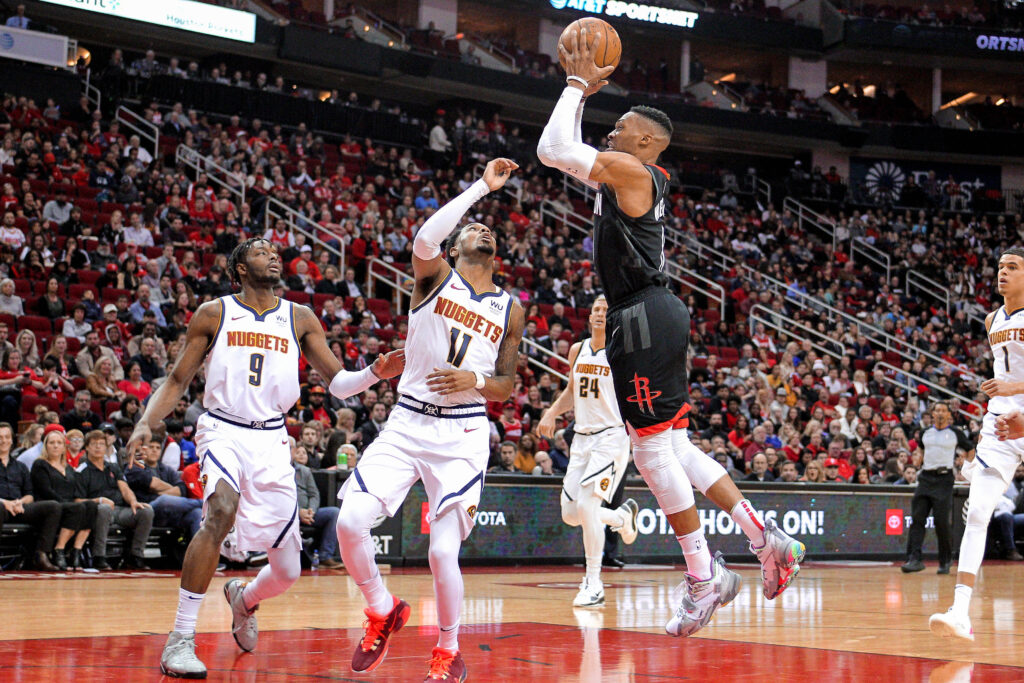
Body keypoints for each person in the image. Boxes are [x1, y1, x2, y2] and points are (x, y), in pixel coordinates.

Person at [538, 32, 804, 637]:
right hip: (650, 311)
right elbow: (570, 146)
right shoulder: (625, 175)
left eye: (623, 126)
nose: (612, 132)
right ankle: (767, 543)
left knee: (652, 451)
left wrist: (578, 85)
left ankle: (703, 577)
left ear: (648, 142)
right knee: (675, 447)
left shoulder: (636, 171)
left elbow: (552, 148)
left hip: (641, 313)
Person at [125, 237, 404, 679]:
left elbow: (338, 382)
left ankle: (245, 599)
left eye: (274, 251)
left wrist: (374, 372)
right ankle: (180, 639)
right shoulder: (214, 313)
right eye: (259, 251)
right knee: (218, 513)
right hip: (222, 429)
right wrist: (145, 422)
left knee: (288, 570)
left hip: (272, 440)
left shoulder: (300, 317)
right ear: (238, 269)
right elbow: (178, 379)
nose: (273, 254)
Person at [335, 158, 523, 682]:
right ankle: (380, 608)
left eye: (488, 229)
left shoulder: (511, 307)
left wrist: (477, 383)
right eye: (471, 230)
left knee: (443, 552)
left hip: (463, 430)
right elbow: (423, 237)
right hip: (408, 420)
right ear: (456, 247)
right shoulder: (434, 277)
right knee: (350, 522)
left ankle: (448, 649)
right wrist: (481, 190)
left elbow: (507, 385)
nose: (482, 228)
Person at [933, 247, 1024, 642]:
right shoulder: (992, 319)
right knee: (977, 513)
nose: (1003, 273)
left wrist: (1015, 388)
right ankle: (959, 610)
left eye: (1014, 267)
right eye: (1001, 266)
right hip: (1001, 423)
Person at [538, 295, 639, 607]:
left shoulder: (621, 352)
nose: (599, 313)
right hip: (581, 438)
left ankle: (594, 582)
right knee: (571, 514)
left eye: (606, 310)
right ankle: (621, 518)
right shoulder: (577, 349)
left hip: (610, 437)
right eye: (596, 308)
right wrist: (552, 413)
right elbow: (571, 391)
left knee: (586, 505)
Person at [902, 402, 973, 575]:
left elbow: (970, 450)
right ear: (932, 414)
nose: (940, 413)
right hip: (926, 478)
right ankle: (914, 559)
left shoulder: (955, 433)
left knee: (942, 522)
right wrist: (917, 459)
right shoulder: (925, 432)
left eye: (943, 410)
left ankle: (945, 560)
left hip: (944, 479)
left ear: (949, 414)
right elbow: (919, 451)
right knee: (917, 518)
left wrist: (967, 467)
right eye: (937, 410)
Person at [76, 429, 154, 570]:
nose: (98, 447)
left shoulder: (113, 467)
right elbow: (77, 500)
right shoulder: (82, 470)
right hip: (96, 511)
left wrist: (133, 502)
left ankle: (135, 556)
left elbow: (125, 489)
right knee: (104, 509)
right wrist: (99, 500)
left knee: (146, 511)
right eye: (94, 444)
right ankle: (99, 557)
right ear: (87, 447)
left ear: (106, 447)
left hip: (119, 510)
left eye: (101, 444)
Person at [30, 424, 96, 571]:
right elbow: (45, 490)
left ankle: (76, 551)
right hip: (49, 504)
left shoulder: (68, 467)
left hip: (70, 505)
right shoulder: (40, 464)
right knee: (77, 507)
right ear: (45, 446)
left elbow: (75, 491)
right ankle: (59, 549)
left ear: (64, 447)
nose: (55, 446)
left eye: (59, 443)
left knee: (91, 506)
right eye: (51, 443)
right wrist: (70, 503)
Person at [0, 421, 61, 570]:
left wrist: (20, 502)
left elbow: (29, 494)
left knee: (53, 507)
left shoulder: (20, 466)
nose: (3, 441)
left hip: (19, 507)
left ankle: (40, 555)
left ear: (12, 439)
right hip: (1, 508)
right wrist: (4, 503)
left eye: (7, 437)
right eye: (0, 437)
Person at [292, 444, 342, 569]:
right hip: (288, 514)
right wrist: (298, 512)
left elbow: (314, 494)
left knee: (334, 513)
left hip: (309, 514)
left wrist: (311, 511)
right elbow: (278, 500)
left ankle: (325, 557)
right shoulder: (276, 471)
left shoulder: (304, 471)